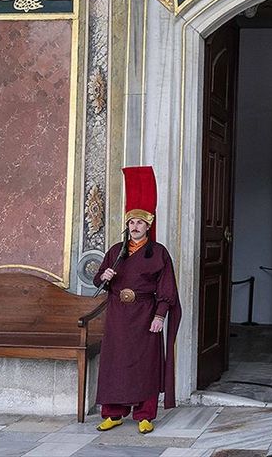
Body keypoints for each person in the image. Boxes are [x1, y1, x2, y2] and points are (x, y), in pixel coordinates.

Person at [93, 166, 182, 435]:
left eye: (140, 223)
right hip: (119, 315)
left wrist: (160, 315)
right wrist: (104, 276)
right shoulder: (115, 251)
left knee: (146, 365)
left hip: (145, 314)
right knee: (115, 363)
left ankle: (145, 414)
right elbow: (99, 281)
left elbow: (167, 288)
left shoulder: (158, 253)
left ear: (148, 225)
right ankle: (113, 413)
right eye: (131, 223)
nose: (135, 227)